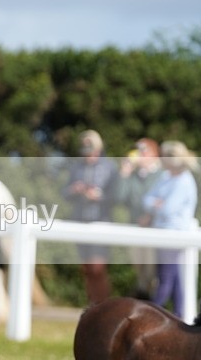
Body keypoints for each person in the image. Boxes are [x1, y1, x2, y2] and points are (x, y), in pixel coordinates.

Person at [142, 140, 198, 319]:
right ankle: (179, 314)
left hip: (174, 235)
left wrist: (156, 205)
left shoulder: (184, 181)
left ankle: (150, 313)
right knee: (173, 276)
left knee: (166, 276)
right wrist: (157, 204)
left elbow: (168, 209)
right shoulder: (165, 177)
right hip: (161, 232)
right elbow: (146, 199)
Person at [63, 129, 117, 303]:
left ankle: (104, 305)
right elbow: (64, 193)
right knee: (86, 268)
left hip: (101, 221)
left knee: (97, 268)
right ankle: (93, 305)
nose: (88, 154)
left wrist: (99, 196)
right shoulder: (77, 167)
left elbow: (117, 196)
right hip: (80, 221)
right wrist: (74, 190)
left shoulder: (109, 167)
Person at [112, 137, 164, 299]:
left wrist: (149, 216)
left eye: (144, 150)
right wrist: (124, 174)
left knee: (152, 270)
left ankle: (153, 301)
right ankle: (144, 298)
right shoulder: (133, 175)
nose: (139, 154)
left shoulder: (162, 175)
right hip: (135, 226)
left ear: (154, 154)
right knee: (139, 267)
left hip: (154, 228)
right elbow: (119, 198)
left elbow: (162, 201)